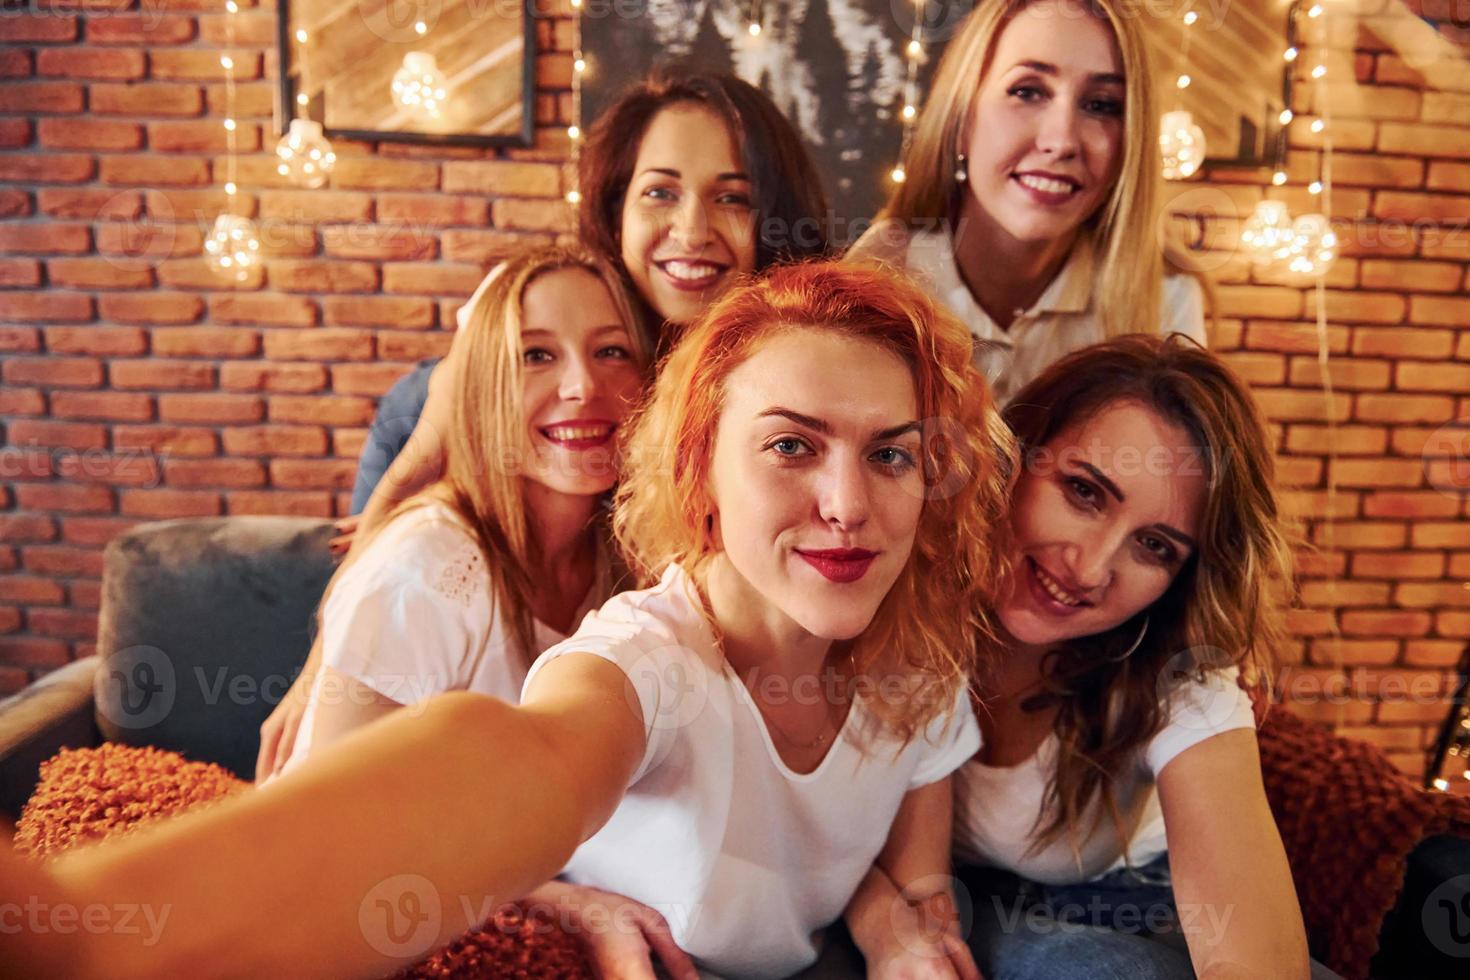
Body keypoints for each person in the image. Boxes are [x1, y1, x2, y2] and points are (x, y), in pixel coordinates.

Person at [17, 261, 1013, 979]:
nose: (849, 501)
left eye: (891, 453)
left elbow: (909, 875)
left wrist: (896, 927)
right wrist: (90, 933)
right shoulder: (644, 656)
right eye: (794, 445)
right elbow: (529, 756)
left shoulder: (919, 660)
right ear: (699, 470)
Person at [261, 70, 833, 779]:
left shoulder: (781, 359)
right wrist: (325, 667)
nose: (691, 228)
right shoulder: (556, 298)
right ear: (615, 208)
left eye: (734, 197)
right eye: (659, 191)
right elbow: (412, 477)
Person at [949, 335, 1331, 979]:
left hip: (1143, 900)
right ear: (1013, 454)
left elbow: (1254, 950)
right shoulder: (902, 602)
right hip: (983, 908)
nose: (1091, 569)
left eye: (1154, 546)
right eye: (1084, 492)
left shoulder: (1178, 675)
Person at [280, 245, 649, 771]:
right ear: (480, 387)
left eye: (612, 351)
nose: (582, 386)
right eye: (536, 355)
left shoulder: (628, 555)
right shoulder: (425, 568)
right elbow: (341, 818)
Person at [847, 0, 1210, 406]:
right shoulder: (882, 268)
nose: (1062, 141)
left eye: (1101, 105)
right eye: (1028, 91)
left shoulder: (1166, 297)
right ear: (961, 120)